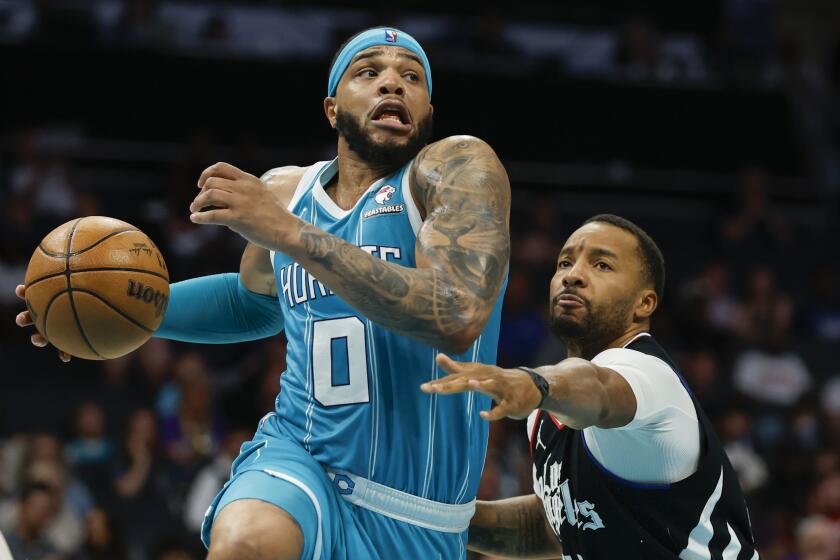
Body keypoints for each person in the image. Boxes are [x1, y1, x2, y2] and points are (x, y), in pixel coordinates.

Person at [15, 26, 510, 560]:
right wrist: (132, 312)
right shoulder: (286, 193)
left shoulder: (457, 169)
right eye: (369, 72)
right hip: (302, 459)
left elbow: (457, 311)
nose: (393, 83)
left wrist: (289, 234)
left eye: (411, 77)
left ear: (427, 110)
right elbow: (254, 304)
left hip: (419, 513)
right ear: (331, 109)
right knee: (247, 541)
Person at [423, 214, 758, 559]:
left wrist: (536, 382)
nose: (573, 275)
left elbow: (597, 387)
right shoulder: (543, 414)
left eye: (601, 265)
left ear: (644, 303)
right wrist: (428, 516)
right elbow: (554, 528)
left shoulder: (650, 377)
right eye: (565, 262)